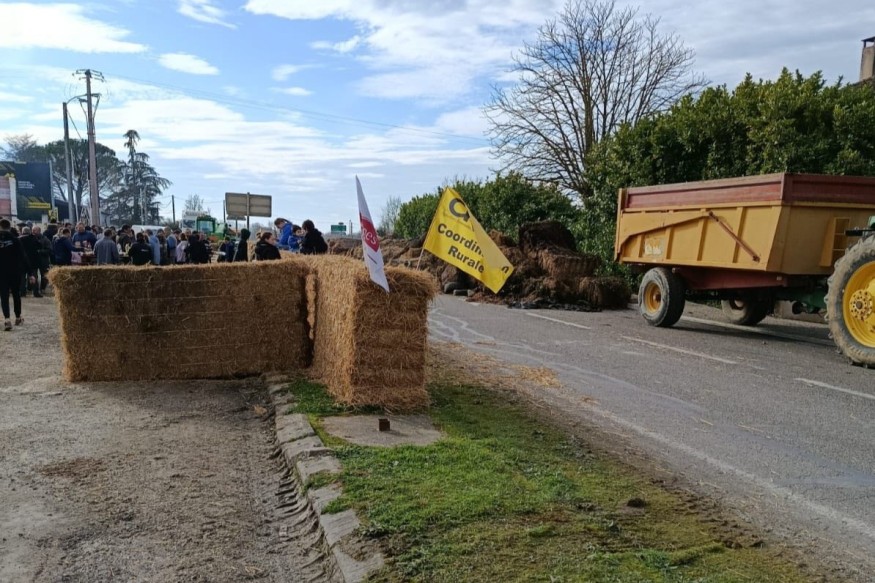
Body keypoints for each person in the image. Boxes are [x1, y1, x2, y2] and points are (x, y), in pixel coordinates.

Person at [0, 218, 30, 330]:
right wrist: (30, 272)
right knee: (16, 294)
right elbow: (23, 256)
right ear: (9, 227)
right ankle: (18, 317)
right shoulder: (15, 240)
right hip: (15, 271)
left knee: (4, 296)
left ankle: (7, 320)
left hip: (1, 272)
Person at [18, 227, 41, 297]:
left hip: (21, 261)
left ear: (22, 232)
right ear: (29, 231)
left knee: (22, 277)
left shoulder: (19, 239)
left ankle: (22, 292)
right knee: (33, 276)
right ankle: (35, 292)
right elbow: (40, 246)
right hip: (32, 261)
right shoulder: (33, 238)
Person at [32, 226, 52, 295]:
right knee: (34, 275)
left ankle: (42, 288)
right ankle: (35, 290)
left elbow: (49, 250)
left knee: (44, 275)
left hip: (43, 260)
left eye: (35, 230)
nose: (33, 232)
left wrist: (40, 251)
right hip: (34, 260)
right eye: (33, 230)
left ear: (39, 231)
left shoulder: (45, 239)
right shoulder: (30, 238)